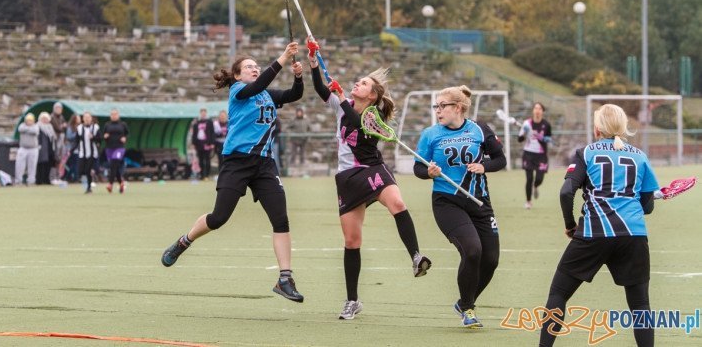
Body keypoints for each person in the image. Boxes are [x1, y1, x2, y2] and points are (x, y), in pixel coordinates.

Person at [161, 42, 306, 303]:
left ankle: (285, 278)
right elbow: (257, 86)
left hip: (264, 164)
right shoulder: (239, 91)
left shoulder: (266, 95)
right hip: (236, 162)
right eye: (249, 67)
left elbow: (294, 95)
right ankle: (184, 241)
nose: (254, 69)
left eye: (256, 66)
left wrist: (298, 75)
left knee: (281, 219)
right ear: (237, 75)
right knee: (218, 218)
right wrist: (283, 57)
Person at [307, 41, 431, 321]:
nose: (357, 85)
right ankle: (352, 301)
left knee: (397, 202)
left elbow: (357, 125)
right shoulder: (342, 105)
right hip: (348, 176)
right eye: (357, 82)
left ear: (373, 95)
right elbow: (318, 89)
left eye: (363, 83)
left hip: (372, 169)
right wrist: (313, 61)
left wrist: (338, 93)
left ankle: (415, 256)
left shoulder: (375, 116)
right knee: (352, 240)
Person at [539, 104, 658, 347]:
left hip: (593, 232)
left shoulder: (586, 153)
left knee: (558, 294)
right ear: (624, 127)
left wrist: (570, 224)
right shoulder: (640, 157)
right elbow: (647, 207)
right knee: (640, 305)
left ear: (597, 129)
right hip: (633, 235)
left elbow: (566, 193)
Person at [413, 85, 506, 328]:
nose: (438, 111)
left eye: (442, 106)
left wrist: (484, 166)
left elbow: (500, 159)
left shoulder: (480, 129)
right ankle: (468, 308)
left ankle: (465, 300)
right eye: (436, 106)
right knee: (473, 250)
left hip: (480, 202)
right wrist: (429, 172)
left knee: (491, 259)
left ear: (458, 108)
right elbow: (417, 168)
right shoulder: (430, 134)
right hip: (447, 202)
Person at [518, 102, 552, 209]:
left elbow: (549, 138)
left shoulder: (546, 125)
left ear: (542, 111)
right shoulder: (526, 123)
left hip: (541, 155)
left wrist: (545, 139)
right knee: (529, 178)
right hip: (528, 154)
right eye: (535, 108)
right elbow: (519, 139)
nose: (537, 110)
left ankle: (536, 186)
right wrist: (524, 133)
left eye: (540, 108)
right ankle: (528, 201)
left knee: (539, 179)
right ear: (533, 110)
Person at [102, 109, 129, 193]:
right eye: (112, 114)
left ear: (118, 115)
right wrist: (105, 136)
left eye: (115, 114)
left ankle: (110, 184)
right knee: (114, 166)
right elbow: (104, 135)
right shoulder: (107, 125)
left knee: (114, 162)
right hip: (109, 148)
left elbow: (127, 133)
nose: (114, 116)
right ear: (110, 116)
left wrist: (125, 138)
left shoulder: (123, 124)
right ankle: (121, 183)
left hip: (119, 148)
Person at [75, 111, 101, 194]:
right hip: (82, 153)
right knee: (80, 170)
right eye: (85, 117)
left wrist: (93, 138)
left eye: (88, 117)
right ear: (83, 119)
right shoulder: (79, 128)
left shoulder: (95, 127)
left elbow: (100, 139)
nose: (86, 119)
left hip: (92, 153)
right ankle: (89, 181)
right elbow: (76, 141)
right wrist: (72, 150)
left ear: (91, 118)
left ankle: (89, 187)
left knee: (88, 170)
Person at [15, 113, 39, 186]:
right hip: (23, 148)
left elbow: (35, 131)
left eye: (30, 120)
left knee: (32, 166)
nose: (29, 122)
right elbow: (20, 129)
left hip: (33, 149)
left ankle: (31, 181)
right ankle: (18, 181)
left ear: (33, 121)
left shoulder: (36, 126)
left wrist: (27, 130)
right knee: (19, 166)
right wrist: (29, 129)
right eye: (28, 120)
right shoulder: (22, 125)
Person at [191, 108, 215, 180]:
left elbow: (212, 133)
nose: (203, 114)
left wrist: (212, 143)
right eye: (202, 112)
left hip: (207, 143)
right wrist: (193, 143)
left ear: (206, 113)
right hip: (199, 144)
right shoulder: (197, 123)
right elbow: (194, 134)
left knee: (207, 159)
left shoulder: (209, 122)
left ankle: (207, 175)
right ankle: (202, 175)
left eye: (204, 112)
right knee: (201, 160)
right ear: (200, 113)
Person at [36, 112, 56, 185]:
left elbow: (53, 138)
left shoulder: (50, 127)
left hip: (49, 148)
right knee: (41, 164)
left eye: (46, 118)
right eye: (43, 118)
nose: (45, 120)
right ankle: (39, 180)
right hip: (41, 148)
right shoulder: (38, 126)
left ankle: (47, 179)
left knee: (48, 164)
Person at [50, 102, 67, 182]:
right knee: (55, 158)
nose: (59, 110)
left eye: (60, 108)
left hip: (61, 139)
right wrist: (62, 127)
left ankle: (58, 177)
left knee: (60, 159)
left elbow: (65, 127)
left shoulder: (62, 117)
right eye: (57, 108)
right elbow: (58, 128)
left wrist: (63, 127)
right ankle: (53, 177)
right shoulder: (52, 117)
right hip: (55, 140)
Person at [64, 114, 81, 182]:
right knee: (74, 164)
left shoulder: (80, 127)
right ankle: (73, 177)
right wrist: (77, 134)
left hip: (78, 148)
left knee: (75, 164)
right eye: (78, 118)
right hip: (71, 148)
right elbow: (69, 136)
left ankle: (71, 177)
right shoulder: (70, 127)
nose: (79, 119)